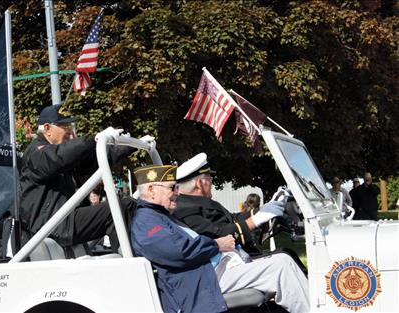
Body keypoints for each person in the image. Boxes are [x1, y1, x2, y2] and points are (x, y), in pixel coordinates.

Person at [131, 164, 309, 313]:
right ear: (151, 190)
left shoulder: (162, 216)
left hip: (208, 275)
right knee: (280, 267)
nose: (177, 192)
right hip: (200, 283)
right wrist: (217, 245)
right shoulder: (147, 221)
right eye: (172, 188)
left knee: (283, 259)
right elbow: (179, 251)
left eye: (177, 187)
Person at [19, 105, 136, 253]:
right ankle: (131, 261)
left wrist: (129, 145)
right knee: (117, 208)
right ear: (47, 128)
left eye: (70, 125)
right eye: (64, 125)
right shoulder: (36, 152)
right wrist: (93, 139)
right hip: (51, 224)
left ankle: (137, 255)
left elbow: (93, 162)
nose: (69, 131)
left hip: (63, 221)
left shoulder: (59, 153)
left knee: (128, 204)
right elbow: (59, 157)